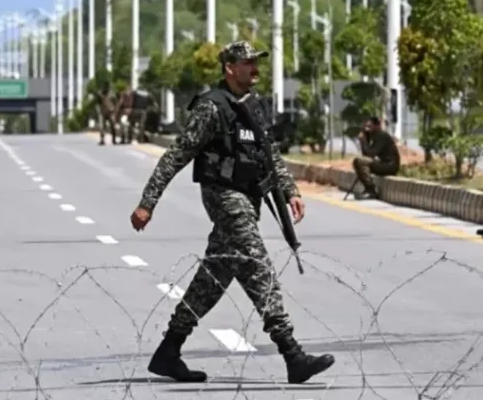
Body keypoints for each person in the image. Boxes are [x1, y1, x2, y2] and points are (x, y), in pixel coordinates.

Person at [130, 40, 335, 384]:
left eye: (256, 62)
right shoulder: (211, 108)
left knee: (213, 278)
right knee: (256, 265)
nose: (255, 68)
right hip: (224, 197)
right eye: (247, 62)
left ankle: (169, 350)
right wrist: (147, 202)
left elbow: (269, 153)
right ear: (229, 68)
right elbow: (177, 154)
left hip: (249, 197)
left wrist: (290, 190)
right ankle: (292, 354)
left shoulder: (253, 105)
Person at [351, 117, 400, 200]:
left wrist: (364, 141)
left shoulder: (382, 136)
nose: (368, 129)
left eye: (370, 126)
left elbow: (371, 154)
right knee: (358, 162)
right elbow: (366, 154)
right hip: (383, 163)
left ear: (377, 126)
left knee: (359, 161)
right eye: (367, 127)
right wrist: (365, 140)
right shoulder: (375, 136)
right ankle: (368, 189)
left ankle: (371, 190)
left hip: (389, 166)